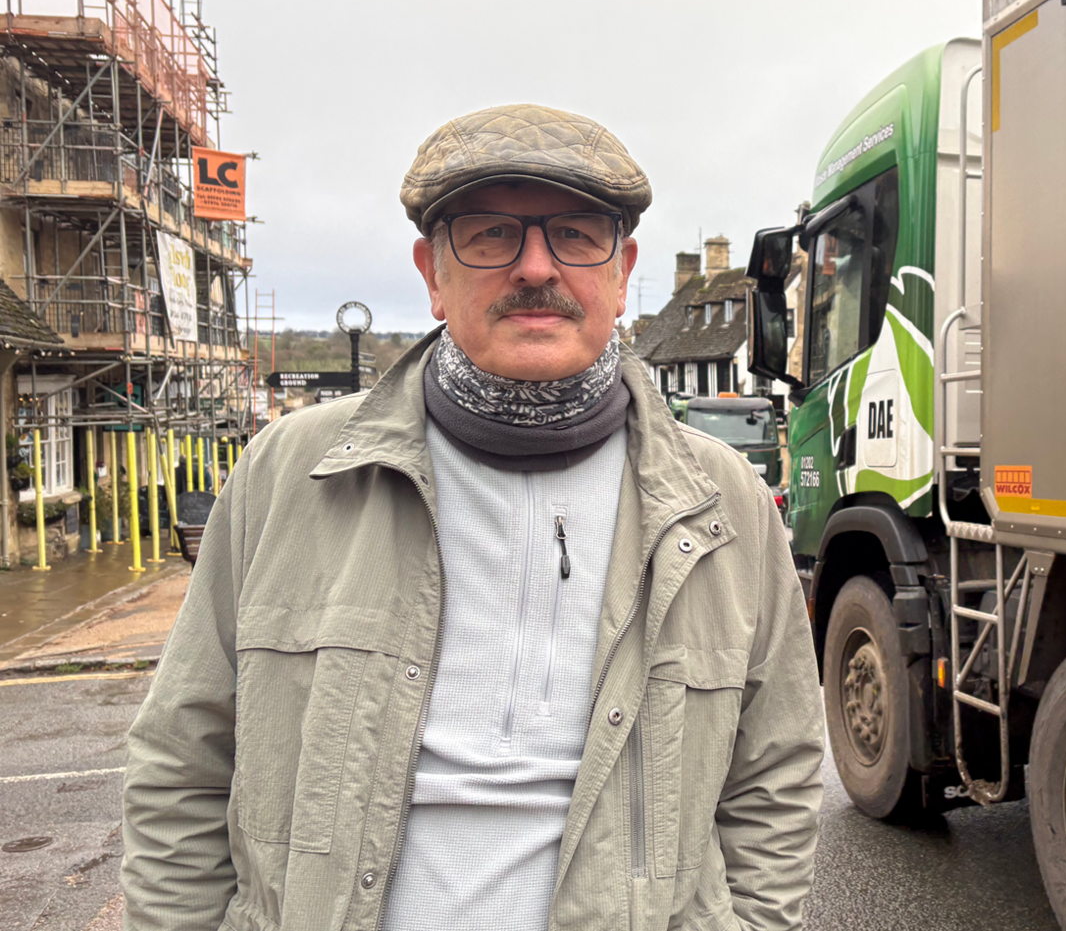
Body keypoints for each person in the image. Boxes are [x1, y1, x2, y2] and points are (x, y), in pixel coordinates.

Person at [121, 104, 824, 931]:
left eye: (574, 234)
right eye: (491, 234)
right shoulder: (290, 473)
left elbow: (775, 772)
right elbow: (181, 761)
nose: (535, 267)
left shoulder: (723, 502)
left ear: (623, 268)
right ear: (431, 272)